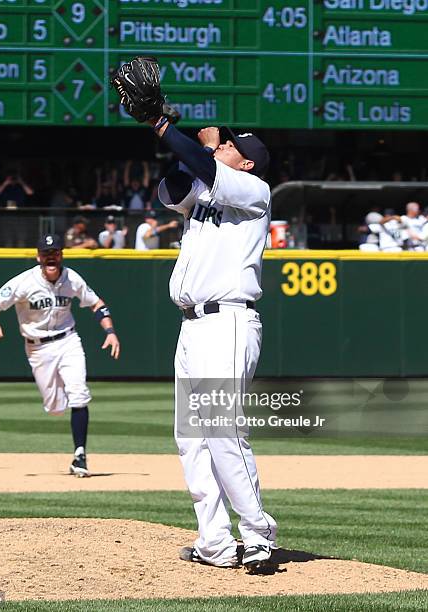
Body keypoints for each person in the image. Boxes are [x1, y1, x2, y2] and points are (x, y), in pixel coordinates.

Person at [152, 118, 277, 571]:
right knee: (191, 438)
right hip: (192, 326)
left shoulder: (255, 193)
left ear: (245, 162)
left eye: (227, 145)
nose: (219, 144)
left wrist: (164, 126)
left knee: (224, 431)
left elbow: (200, 163)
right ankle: (215, 542)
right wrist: (170, 136)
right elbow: (170, 185)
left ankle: (259, 534)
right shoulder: (207, 190)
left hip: (229, 322)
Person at [0, 234, 120, 477]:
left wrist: (110, 331)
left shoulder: (72, 278)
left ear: (61, 255)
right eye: (46, 254)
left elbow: (98, 304)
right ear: (38, 257)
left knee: (79, 394)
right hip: (37, 348)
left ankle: (80, 455)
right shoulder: (24, 282)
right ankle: (64, 409)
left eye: (55, 253)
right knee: (55, 408)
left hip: (68, 341)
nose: (51, 258)